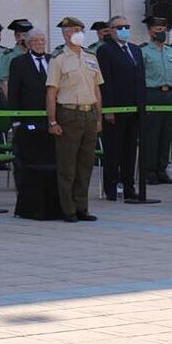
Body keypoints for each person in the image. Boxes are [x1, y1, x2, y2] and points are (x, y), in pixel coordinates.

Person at [46, 16, 103, 222]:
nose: (77, 33)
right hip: (68, 113)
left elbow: (97, 88)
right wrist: (52, 121)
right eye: (73, 30)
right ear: (66, 33)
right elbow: (51, 92)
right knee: (67, 165)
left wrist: (98, 117)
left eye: (80, 29)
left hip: (88, 113)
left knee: (86, 165)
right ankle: (68, 209)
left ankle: (82, 207)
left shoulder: (91, 57)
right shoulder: (59, 59)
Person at [97, 15, 146, 200]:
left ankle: (128, 186)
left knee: (130, 150)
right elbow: (105, 82)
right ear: (111, 30)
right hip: (116, 109)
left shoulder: (135, 50)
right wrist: (108, 109)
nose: (123, 30)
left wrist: (142, 105)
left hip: (134, 109)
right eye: (119, 27)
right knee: (113, 150)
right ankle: (111, 187)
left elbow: (140, 79)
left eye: (126, 26)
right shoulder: (105, 51)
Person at [140, 16, 172, 186]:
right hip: (152, 94)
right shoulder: (144, 51)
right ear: (150, 32)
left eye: (163, 30)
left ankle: (162, 169)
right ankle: (149, 172)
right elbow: (139, 77)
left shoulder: (170, 51)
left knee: (166, 135)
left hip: (168, 94)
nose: (161, 33)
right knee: (152, 135)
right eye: (157, 30)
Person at [8, 27, 50, 123]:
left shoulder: (52, 60)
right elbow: (13, 92)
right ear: (28, 43)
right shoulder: (19, 62)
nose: (40, 43)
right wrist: (15, 119)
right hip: (27, 115)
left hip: (49, 115)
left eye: (42, 40)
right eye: (36, 40)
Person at [0, 19, 33, 100]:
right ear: (17, 37)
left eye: (30, 36)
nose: (28, 39)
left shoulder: (34, 55)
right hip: (16, 98)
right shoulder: (9, 56)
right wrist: (11, 101)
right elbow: (4, 82)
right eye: (25, 35)